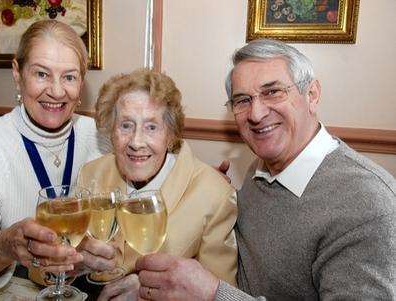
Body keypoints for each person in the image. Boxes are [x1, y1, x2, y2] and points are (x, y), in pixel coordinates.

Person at [135, 39, 396, 300]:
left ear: (312, 95)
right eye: (242, 100)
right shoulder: (262, 165)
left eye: (273, 92)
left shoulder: (368, 205)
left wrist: (214, 294)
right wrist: (213, 193)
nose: (256, 114)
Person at [0, 20, 115, 291]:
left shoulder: (101, 137)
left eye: (69, 77)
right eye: (41, 74)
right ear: (17, 73)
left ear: (81, 82)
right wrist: (6, 245)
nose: (57, 91)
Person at [77, 69, 238, 300]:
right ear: (111, 131)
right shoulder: (92, 174)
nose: (136, 142)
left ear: (171, 135)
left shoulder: (215, 194)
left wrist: (148, 291)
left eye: (151, 127)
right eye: (125, 125)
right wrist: (78, 261)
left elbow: (217, 292)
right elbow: (67, 261)